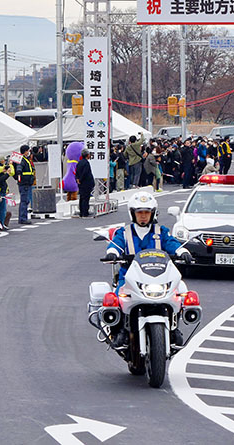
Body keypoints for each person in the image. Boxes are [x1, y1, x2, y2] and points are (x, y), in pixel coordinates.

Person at [101, 192, 187, 348]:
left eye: (147, 212)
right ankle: (120, 331)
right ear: (132, 213)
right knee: (117, 298)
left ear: (153, 213)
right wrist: (112, 252)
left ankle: (174, 328)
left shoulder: (161, 232)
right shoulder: (124, 232)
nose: (143, 216)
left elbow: (172, 243)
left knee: (180, 294)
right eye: (139, 212)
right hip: (128, 278)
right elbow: (116, 244)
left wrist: (182, 251)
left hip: (159, 276)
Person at [14, 145, 35, 225]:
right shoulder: (22, 160)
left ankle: (23, 217)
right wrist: (19, 172)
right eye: (28, 151)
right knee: (24, 200)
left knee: (25, 200)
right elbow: (19, 167)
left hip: (26, 183)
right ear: (25, 151)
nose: (29, 152)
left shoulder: (25, 159)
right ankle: (23, 218)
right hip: (24, 183)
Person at [74, 148, 95, 218]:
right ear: (87, 155)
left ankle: (81, 212)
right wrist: (80, 179)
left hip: (80, 183)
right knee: (86, 198)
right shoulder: (86, 163)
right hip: (86, 182)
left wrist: (77, 179)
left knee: (82, 197)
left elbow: (76, 172)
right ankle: (85, 212)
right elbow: (85, 173)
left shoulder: (79, 163)